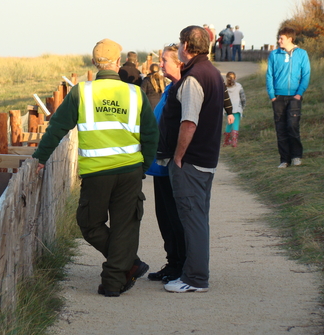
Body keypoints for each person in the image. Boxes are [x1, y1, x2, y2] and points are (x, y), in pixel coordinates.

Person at [32, 38, 159, 297]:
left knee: (89, 224)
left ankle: (119, 275)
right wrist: (144, 165)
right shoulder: (135, 93)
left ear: (94, 63)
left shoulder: (82, 92)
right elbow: (151, 134)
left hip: (96, 174)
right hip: (130, 171)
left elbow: (57, 127)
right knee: (125, 227)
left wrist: (41, 157)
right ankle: (123, 270)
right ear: (119, 62)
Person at [157, 26, 224, 293]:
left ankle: (195, 278)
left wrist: (178, 156)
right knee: (198, 218)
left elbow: (189, 122)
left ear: (186, 45)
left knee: (192, 218)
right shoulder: (212, 72)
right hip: (205, 159)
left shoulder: (194, 78)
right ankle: (192, 273)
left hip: (192, 161)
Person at [146, 44, 186, 284]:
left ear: (179, 63)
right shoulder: (170, 88)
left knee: (175, 217)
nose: (160, 64)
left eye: (164, 60)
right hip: (158, 166)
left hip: (171, 165)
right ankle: (172, 262)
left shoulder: (183, 89)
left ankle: (181, 265)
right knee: (164, 217)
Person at [266, 26, 310, 168]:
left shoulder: (302, 54)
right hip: (278, 97)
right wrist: (272, 95)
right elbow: (269, 75)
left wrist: (299, 94)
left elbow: (306, 75)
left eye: (281, 38)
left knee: (292, 126)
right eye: (278, 38)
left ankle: (296, 156)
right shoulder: (274, 54)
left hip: (294, 97)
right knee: (281, 129)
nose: (279, 41)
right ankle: (284, 160)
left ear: (290, 39)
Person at [223, 71, 246, 147]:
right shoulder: (239, 86)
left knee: (229, 124)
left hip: (227, 109)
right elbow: (243, 98)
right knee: (236, 124)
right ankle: (234, 141)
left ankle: (226, 140)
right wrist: (243, 106)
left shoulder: (224, 87)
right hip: (237, 108)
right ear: (235, 78)